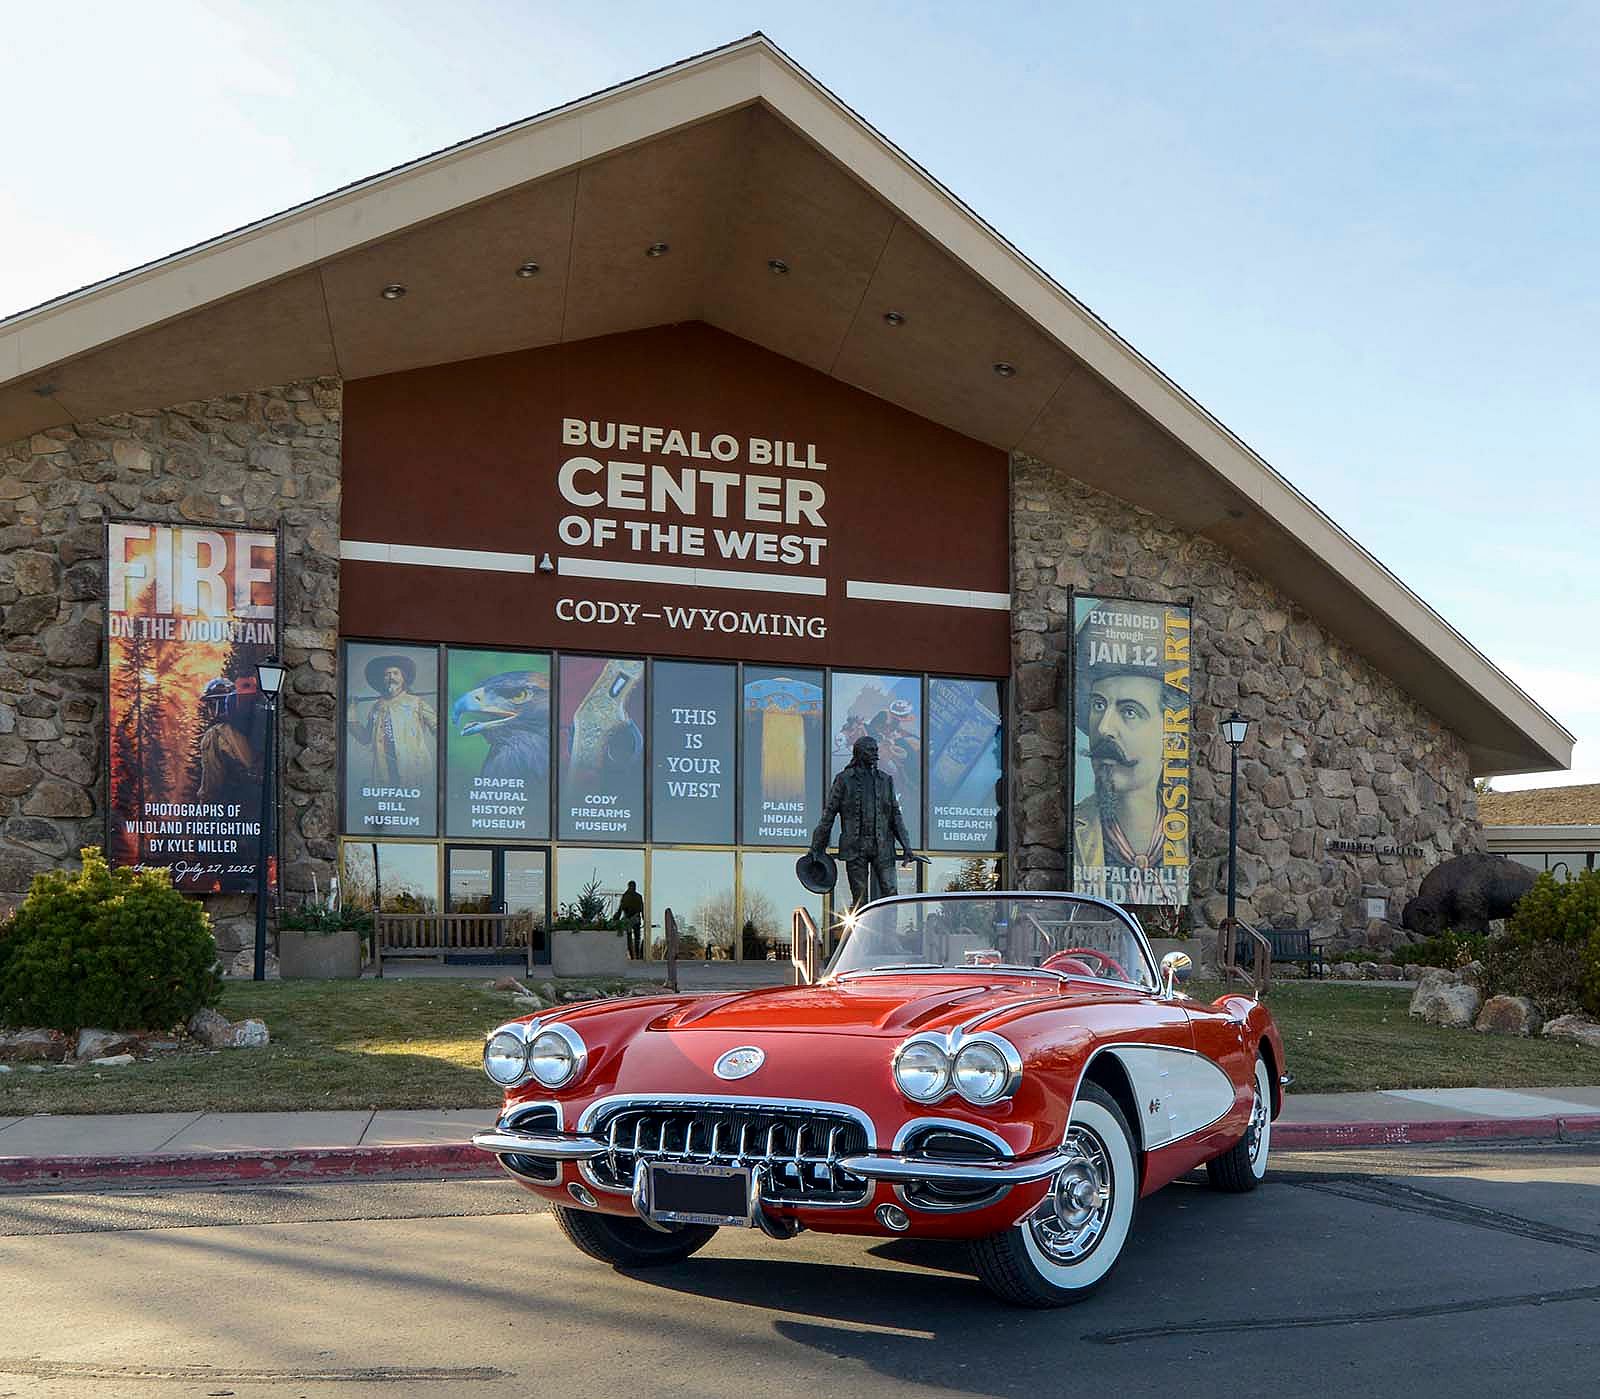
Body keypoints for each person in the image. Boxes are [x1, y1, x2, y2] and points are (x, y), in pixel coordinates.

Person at [1072, 613, 1179, 903]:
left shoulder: (1180, 835)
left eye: (1129, 711)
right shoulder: (1075, 831)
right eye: (1098, 705)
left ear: (1168, 733)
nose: (1104, 728)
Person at [809, 735, 914, 913]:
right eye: (870, 750)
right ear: (859, 753)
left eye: (876, 750)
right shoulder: (844, 779)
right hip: (855, 847)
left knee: (891, 893)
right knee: (860, 898)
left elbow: (895, 815)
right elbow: (829, 814)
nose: (876, 754)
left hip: (883, 846)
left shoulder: (885, 780)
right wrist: (816, 847)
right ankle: (861, 938)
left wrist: (906, 845)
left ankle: (889, 937)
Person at [347, 654, 437, 787]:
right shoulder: (377, 706)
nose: (391, 678)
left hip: (411, 766)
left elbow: (438, 727)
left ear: (403, 678)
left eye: (396, 673)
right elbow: (365, 738)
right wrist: (351, 710)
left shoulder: (416, 703)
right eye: (387, 674)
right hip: (385, 767)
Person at [617, 879, 645, 959]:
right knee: (635, 937)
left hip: (630, 919)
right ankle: (636, 955)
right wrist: (644, 918)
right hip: (634, 918)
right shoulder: (637, 896)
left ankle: (634, 955)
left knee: (631, 938)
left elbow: (621, 907)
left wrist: (618, 917)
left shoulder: (626, 895)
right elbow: (642, 908)